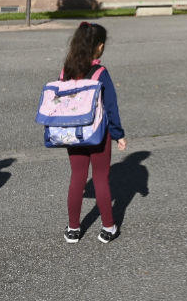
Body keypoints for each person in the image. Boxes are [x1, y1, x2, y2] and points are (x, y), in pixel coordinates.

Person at [60, 21, 125, 243]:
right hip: (98, 133)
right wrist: (118, 134)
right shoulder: (100, 72)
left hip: (73, 134)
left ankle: (73, 228)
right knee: (100, 178)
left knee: (77, 177)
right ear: (98, 47)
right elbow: (111, 106)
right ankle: (108, 227)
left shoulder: (66, 71)